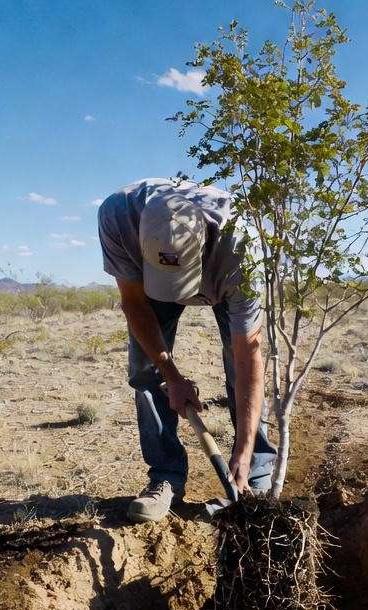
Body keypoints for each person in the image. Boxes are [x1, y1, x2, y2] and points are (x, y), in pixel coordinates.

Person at [98, 177, 277, 522]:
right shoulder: (118, 217)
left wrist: (242, 447)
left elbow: (248, 360)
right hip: (151, 281)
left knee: (238, 372)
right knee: (146, 372)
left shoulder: (241, 249)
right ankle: (165, 476)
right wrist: (171, 375)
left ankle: (252, 476)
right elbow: (135, 304)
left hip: (221, 275)